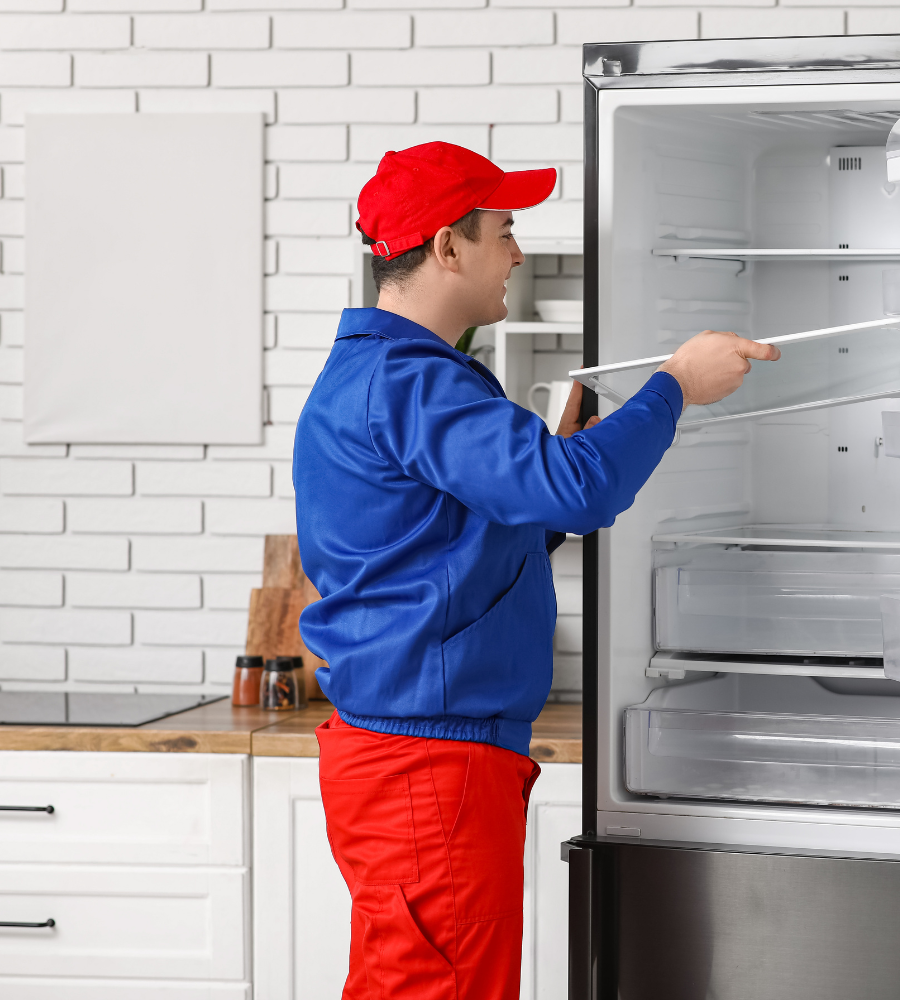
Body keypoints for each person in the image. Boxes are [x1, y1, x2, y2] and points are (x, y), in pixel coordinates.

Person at [292, 141, 778, 1000]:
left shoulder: (397, 376)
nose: (516, 251)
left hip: (425, 759)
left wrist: (552, 469)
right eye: (503, 230)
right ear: (447, 247)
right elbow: (581, 491)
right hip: (426, 766)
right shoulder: (411, 382)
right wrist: (676, 385)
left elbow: (456, 548)